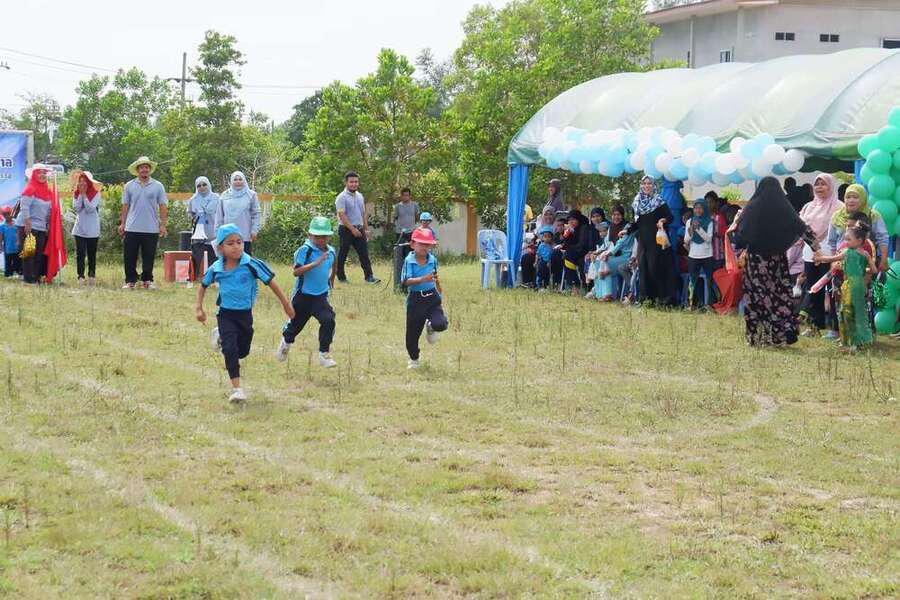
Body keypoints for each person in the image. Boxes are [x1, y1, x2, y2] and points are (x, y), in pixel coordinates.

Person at [196, 224, 294, 403]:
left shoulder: (251, 264)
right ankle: (237, 389)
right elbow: (203, 286)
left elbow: (271, 283)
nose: (236, 246)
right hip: (225, 314)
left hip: (245, 315)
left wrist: (286, 305)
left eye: (239, 242)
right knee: (230, 350)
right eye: (230, 243)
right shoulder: (217, 268)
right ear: (221, 248)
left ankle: (219, 335)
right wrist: (199, 308)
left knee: (243, 351)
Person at [731, 176, 818, 347]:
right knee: (778, 296)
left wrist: (737, 228)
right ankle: (780, 335)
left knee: (757, 297)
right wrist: (818, 250)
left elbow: (740, 237)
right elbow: (803, 228)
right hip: (777, 262)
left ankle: (757, 337)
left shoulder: (752, 208)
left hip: (756, 263)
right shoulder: (784, 207)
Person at [276, 216, 338, 368]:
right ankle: (286, 342)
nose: (321, 240)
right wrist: (316, 263)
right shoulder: (305, 250)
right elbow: (296, 272)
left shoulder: (331, 251)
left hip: (320, 297)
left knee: (328, 320)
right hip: (303, 296)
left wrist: (331, 281)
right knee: (295, 326)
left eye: (324, 236)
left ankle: (324, 354)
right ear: (310, 235)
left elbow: (333, 265)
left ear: (329, 236)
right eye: (317, 236)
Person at [813, 223, 876, 350]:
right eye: (845, 239)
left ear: (859, 240)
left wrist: (820, 258)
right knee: (858, 312)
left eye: (848, 239)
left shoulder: (848, 252)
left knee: (846, 312)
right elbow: (874, 270)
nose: (846, 242)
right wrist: (861, 269)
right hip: (860, 285)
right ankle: (860, 341)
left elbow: (832, 258)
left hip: (850, 286)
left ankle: (850, 342)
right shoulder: (865, 254)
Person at [798, 173, 843, 337]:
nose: (819, 187)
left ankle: (834, 328)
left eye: (823, 184)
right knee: (813, 289)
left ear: (830, 186)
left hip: (830, 253)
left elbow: (842, 232)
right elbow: (800, 226)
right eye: (817, 184)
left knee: (832, 290)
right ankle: (814, 326)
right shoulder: (808, 206)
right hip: (810, 252)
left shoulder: (839, 207)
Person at [621, 176, 677, 306]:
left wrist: (663, 220)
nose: (647, 186)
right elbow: (636, 223)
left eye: (650, 183)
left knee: (655, 269)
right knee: (644, 269)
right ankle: (646, 300)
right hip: (643, 241)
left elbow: (670, 217)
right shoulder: (637, 202)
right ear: (641, 185)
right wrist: (627, 230)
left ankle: (662, 299)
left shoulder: (659, 201)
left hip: (657, 242)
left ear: (654, 185)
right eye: (644, 183)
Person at [401, 227, 448, 369]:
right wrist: (422, 279)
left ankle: (431, 326)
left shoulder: (432, 260)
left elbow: (435, 276)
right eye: (421, 244)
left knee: (441, 324)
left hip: (432, 297)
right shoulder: (409, 261)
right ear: (412, 244)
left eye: (427, 244)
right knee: (412, 335)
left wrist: (439, 291)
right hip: (416, 300)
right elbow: (405, 281)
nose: (424, 247)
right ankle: (414, 359)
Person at [119, 156, 168, 289]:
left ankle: (147, 280)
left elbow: (163, 206)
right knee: (129, 256)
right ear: (137, 170)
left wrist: (163, 225)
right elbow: (125, 205)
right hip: (132, 227)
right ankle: (130, 281)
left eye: (146, 167)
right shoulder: (129, 185)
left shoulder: (158, 186)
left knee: (149, 257)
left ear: (150, 169)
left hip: (151, 228)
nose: (144, 170)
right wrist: (122, 223)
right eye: (141, 167)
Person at [826, 184, 889, 273]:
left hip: (866, 265)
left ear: (863, 199)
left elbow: (882, 238)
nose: (851, 200)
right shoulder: (837, 216)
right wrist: (833, 263)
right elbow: (832, 242)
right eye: (848, 197)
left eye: (855, 197)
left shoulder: (873, 215)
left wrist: (883, 259)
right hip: (842, 264)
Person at [335, 171, 379, 284]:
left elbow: (363, 214)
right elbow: (342, 215)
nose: (354, 184)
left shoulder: (360, 196)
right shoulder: (341, 197)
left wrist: (366, 229)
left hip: (359, 229)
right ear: (346, 183)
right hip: (346, 229)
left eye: (356, 182)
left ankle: (369, 277)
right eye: (351, 182)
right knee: (343, 253)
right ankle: (341, 277)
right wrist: (352, 229)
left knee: (364, 253)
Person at [15, 164, 54, 284]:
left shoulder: (48, 191)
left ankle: (36, 277)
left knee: (38, 254)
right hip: (28, 226)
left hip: (41, 227)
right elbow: (24, 207)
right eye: (39, 172)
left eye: (44, 173)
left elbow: (49, 211)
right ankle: (28, 279)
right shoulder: (30, 188)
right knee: (29, 253)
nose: (42, 175)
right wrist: (27, 223)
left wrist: (48, 226)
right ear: (34, 175)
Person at [216, 171, 260, 256]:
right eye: (235, 179)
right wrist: (218, 233)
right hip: (227, 235)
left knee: (244, 260)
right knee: (229, 260)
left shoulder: (251, 195)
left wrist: (254, 230)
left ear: (244, 180)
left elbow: (256, 213)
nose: (238, 182)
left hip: (244, 235)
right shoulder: (224, 195)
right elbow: (219, 217)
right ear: (231, 181)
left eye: (240, 179)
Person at [71, 170, 102, 284]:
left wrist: (84, 195)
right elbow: (77, 208)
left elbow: (90, 209)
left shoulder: (96, 193)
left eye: (85, 181)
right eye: (80, 181)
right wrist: (81, 194)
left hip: (92, 228)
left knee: (91, 253)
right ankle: (80, 276)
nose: (82, 183)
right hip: (80, 228)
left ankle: (91, 275)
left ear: (89, 182)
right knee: (80, 254)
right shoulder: (76, 193)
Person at [187, 176, 220, 283]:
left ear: (208, 185)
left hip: (213, 232)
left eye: (204, 184)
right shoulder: (193, 199)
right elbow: (189, 213)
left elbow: (220, 213)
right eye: (199, 186)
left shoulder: (216, 198)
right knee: (196, 256)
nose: (202, 187)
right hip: (199, 233)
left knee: (213, 257)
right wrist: (196, 216)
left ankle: (212, 279)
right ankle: (192, 278)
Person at [683, 199, 715, 309]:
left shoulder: (710, 221)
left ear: (704, 209)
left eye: (700, 208)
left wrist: (699, 229)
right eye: (696, 208)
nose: (698, 210)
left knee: (709, 281)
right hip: (693, 255)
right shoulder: (689, 221)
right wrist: (691, 231)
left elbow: (708, 239)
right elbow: (686, 240)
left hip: (707, 255)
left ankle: (710, 304)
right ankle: (691, 304)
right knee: (692, 281)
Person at [557, 209, 591, 290]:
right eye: (569, 220)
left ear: (578, 219)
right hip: (577, 253)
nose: (571, 222)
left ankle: (575, 284)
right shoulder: (573, 229)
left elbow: (582, 246)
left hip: (585, 252)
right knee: (560, 255)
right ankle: (571, 284)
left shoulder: (584, 228)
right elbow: (568, 243)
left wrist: (568, 248)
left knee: (568, 255)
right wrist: (567, 235)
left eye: (573, 219)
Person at [586, 222, 615, 300]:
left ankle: (605, 293)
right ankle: (598, 292)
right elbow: (601, 249)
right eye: (600, 231)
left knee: (600, 268)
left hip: (609, 260)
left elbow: (610, 250)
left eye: (604, 231)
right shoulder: (604, 240)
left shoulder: (610, 239)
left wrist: (599, 254)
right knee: (595, 263)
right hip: (603, 260)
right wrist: (594, 253)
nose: (601, 233)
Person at [2, 207, 21, 278]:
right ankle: (8, 274)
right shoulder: (2, 225)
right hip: (7, 248)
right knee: (8, 262)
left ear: (12, 213)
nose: (7, 216)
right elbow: (1, 236)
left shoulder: (17, 223)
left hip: (16, 247)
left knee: (17, 261)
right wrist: (0, 246)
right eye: (5, 214)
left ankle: (17, 272)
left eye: (8, 213)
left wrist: (19, 242)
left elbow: (19, 233)